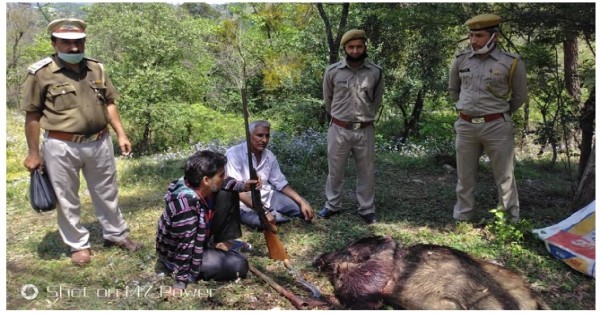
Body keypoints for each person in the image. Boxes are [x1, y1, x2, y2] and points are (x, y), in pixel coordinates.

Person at [21, 18, 141, 266]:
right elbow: (32, 115)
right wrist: (34, 153)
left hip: (99, 142)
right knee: (67, 198)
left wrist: (121, 134)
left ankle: (116, 234)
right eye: (66, 42)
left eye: (78, 42)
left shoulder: (96, 68)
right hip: (61, 145)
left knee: (107, 192)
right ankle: (78, 245)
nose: (74, 48)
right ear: (54, 43)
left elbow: (109, 103)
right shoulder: (40, 73)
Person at [448, 14, 528, 222]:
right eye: (471, 35)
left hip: (496, 126)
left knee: (505, 176)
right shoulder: (461, 60)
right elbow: (453, 90)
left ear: (495, 37)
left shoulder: (511, 63)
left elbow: (520, 96)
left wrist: (499, 113)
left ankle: (508, 219)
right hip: (465, 125)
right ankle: (463, 216)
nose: (474, 40)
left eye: (479, 35)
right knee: (464, 176)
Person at [156, 150, 257, 291]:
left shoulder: (195, 181)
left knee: (228, 190)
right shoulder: (186, 207)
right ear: (206, 180)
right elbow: (185, 245)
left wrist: (244, 186)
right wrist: (180, 281)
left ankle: (221, 243)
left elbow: (228, 182)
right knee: (240, 264)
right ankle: (216, 251)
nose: (224, 177)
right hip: (180, 253)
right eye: (220, 175)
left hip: (199, 238)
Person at [318, 29, 384, 225]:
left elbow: (377, 99)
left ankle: (366, 209)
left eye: (359, 46)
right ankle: (332, 205)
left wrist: (365, 117)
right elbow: (328, 99)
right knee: (335, 170)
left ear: (365, 47)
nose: (355, 50)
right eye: (351, 47)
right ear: (345, 49)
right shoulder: (332, 71)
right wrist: (340, 117)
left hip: (365, 129)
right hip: (338, 129)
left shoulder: (375, 72)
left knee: (366, 171)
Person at [225, 120, 314, 229]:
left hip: (268, 196)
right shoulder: (233, 154)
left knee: (302, 210)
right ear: (249, 136)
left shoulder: (269, 155)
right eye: (259, 135)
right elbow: (237, 191)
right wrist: (263, 212)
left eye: (267, 136)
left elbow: (281, 183)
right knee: (264, 222)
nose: (264, 140)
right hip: (244, 204)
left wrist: (301, 201)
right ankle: (273, 215)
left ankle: (275, 213)